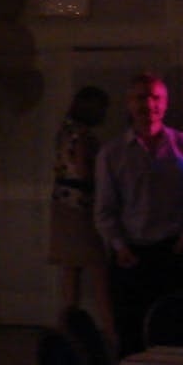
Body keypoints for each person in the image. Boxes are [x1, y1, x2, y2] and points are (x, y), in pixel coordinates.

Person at [94, 72, 183, 357]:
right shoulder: (112, 153)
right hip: (132, 258)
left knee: (178, 337)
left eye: (155, 98)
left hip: (175, 252)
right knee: (132, 339)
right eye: (141, 98)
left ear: (166, 104)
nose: (149, 105)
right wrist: (119, 246)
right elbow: (105, 209)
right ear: (129, 104)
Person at [49, 86, 111, 342]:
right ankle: (111, 328)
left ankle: (68, 329)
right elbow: (85, 171)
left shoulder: (64, 130)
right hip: (81, 207)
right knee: (99, 268)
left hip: (62, 204)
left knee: (70, 270)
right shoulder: (82, 135)